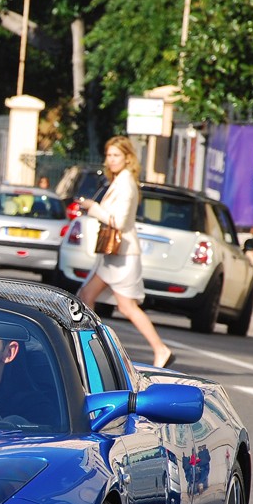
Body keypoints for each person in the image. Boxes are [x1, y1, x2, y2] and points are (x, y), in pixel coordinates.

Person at [75, 135, 173, 369]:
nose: (111, 160)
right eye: (108, 155)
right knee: (86, 296)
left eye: (116, 155)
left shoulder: (126, 183)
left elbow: (118, 222)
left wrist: (93, 207)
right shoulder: (120, 181)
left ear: (128, 158)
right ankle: (88, 349)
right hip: (115, 256)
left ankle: (160, 349)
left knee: (124, 306)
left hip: (123, 256)